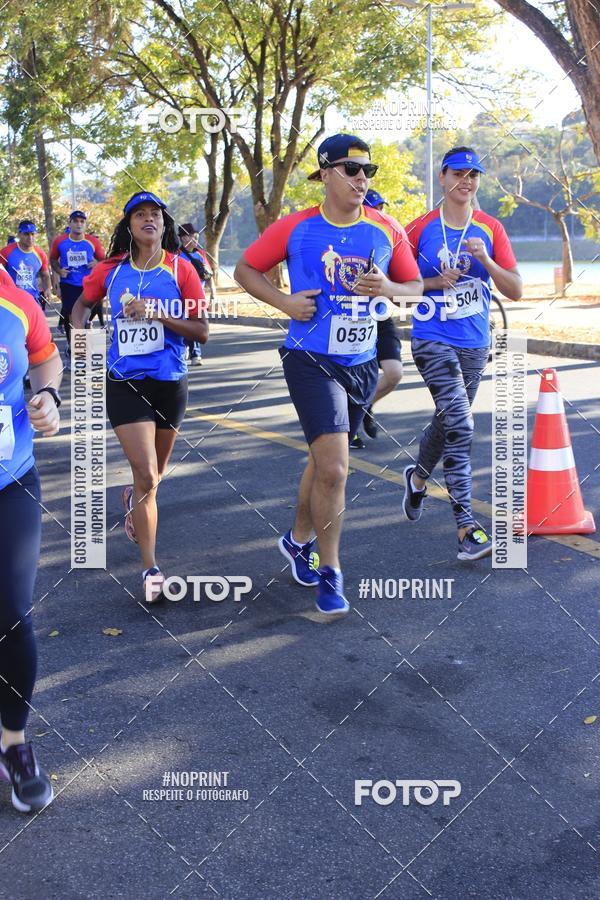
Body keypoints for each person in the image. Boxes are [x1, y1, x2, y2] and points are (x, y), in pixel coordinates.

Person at [235, 134, 422, 616]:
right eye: (352, 170)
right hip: (310, 359)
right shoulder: (296, 229)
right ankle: (330, 569)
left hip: (360, 363)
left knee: (323, 465)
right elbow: (246, 269)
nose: (362, 179)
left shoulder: (385, 229)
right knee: (336, 468)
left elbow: (416, 289)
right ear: (326, 174)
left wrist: (392, 287)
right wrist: (284, 303)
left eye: (367, 172)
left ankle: (297, 539)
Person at [71, 191, 208, 602]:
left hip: (170, 382)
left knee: (153, 479)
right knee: (148, 474)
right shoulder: (109, 271)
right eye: (140, 215)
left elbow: (201, 331)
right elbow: (80, 307)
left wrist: (158, 313)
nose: (149, 220)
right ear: (128, 226)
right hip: (125, 380)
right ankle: (151, 569)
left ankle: (133, 499)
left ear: (164, 226)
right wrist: (82, 337)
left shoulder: (182, 270)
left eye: (155, 215)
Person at [404, 146, 522, 560]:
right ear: (443, 177)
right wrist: (433, 281)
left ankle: (418, 478)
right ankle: (466, 528)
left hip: (475, 342)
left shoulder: (490, 228)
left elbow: (516, 289)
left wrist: (485, 260)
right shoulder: (419, 228)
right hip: (431, 335)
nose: (466, 181)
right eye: (458, 173)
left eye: (473, 174)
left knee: (449, 421)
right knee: (462, 423)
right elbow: (394, 282)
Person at [0, 266, 62, 812]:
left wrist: (47, 397)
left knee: (12, 613)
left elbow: (45, 359)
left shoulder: (16, 301)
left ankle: (14, 743)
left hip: (10, 479)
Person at [352, 189, 405, 447]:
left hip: (380, 317)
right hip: (349, 319)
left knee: (394, 373)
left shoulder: (390, 240)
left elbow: (406, 285)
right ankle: (347, 428)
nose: (380, 213)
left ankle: (364, 406)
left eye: (382, 208)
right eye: (374, 208)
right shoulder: (347, 240)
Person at [50, 211, 106, 371]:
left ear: (85, 224)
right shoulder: (60, 241)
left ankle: (82, 350)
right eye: (75, 221)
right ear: (70, 223)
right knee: (71, 317)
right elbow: (53, 259)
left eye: (82, 221)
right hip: (69, 285)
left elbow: (104, 260)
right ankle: (75, 353)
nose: (79, 224)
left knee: (84, 318)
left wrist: (96, 263)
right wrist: (60, 272)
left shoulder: (92, 241)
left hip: (88, 285)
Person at [177, 223, 216, 366]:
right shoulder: (177, 255)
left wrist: (213, 293)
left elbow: (208, 275)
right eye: (190, 235)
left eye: (195, 235)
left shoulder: (201, 254)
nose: (194, 238)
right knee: (186, 324)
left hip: (198, 296)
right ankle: (191, 351)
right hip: (181, 296)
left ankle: (194, 352)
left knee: (196, 324)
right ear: (182, 238)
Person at [0, 221, 53, 310]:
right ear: (19, 234)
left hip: (32, 297)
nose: (30, 238)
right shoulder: (6, 252)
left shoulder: (40, 254)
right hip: (11, 300)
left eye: (32, 234)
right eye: (26, 234)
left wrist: (48, 289)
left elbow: (45, 275)